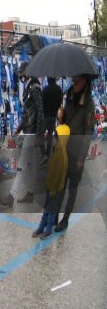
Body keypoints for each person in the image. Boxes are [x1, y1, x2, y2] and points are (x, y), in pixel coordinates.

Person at [54, 74, 95, 231]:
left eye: (77, 80)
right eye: (73, 79)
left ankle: (65, 220)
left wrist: (81, 159)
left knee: (72, 189)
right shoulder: (69, 98)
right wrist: (61, 117)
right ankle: (55, 216)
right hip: (65, 149)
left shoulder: (89, 104)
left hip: (77, 153)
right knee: (60, 186)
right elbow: (64, 124)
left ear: (84, 82)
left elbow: (87, 132)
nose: (74, 82)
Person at [1, 66, 43, 206]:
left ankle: (11, 197)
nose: (19, 75)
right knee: (31, 166)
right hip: (29, 130)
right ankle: (30, 194)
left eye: (21, 73)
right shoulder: (29, 86)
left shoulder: (34, 87)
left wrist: (38, 133)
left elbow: (39, 111)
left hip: (32, 132)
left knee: (23, 164)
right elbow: (28, 113)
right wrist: (19, 128)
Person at [32, 123, 69, 239]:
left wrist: (54, 189)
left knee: (51, 211)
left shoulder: (61, 153)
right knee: (46, 210)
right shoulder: (54, 149)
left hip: (56, 189)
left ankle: (48, 230)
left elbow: (59, 175)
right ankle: (41, 228)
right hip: (50, 186)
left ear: (56, 139)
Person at [41, 77, 62, 160]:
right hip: (54, 116)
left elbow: (42, 103)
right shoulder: (59, 89)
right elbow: (60, 103)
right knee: (50, 135)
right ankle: (50, 153)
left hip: (46, 116)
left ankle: (44, 154)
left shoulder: (45, 90)